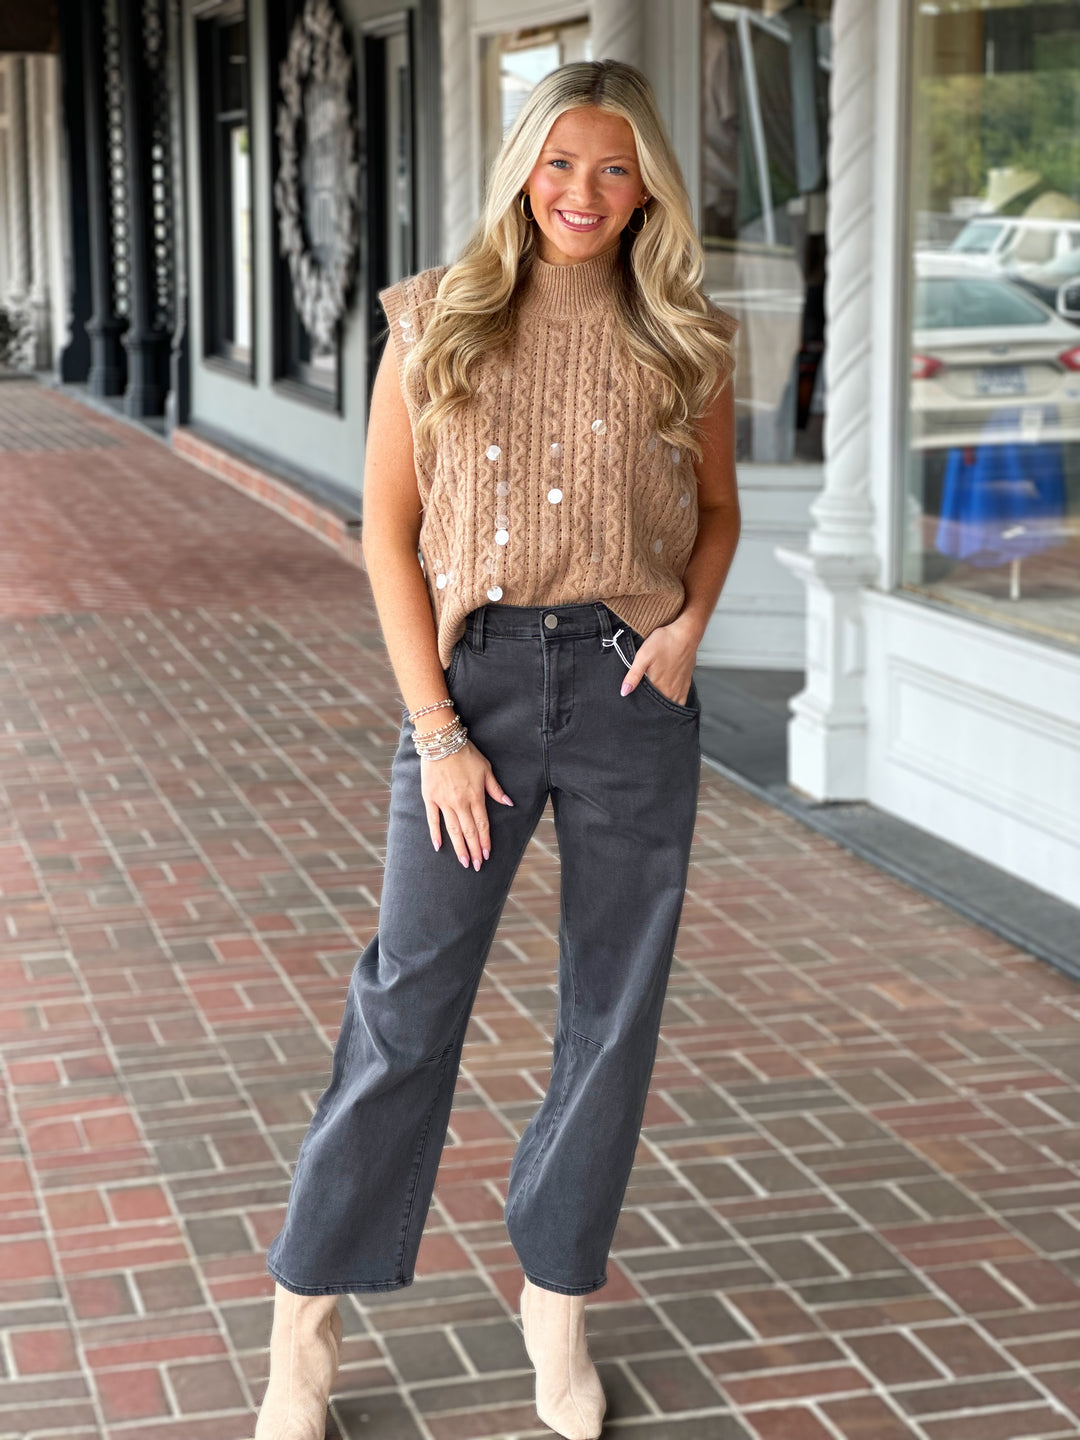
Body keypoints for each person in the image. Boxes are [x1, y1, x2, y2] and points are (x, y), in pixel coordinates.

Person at [250, 57, 739, 1440]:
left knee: (613, 1012)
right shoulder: (436, 317)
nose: (585, 191)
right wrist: (439, 734)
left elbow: (716, 511)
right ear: (524, 169)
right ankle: (302, 1331)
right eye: (561, 161)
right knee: (407, 1001)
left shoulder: (688, 334)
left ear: (647, 188)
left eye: (616, 167)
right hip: (476, 691)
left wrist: (688, 630)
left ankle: (558, 1304)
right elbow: (388, 534)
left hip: (634, 689)